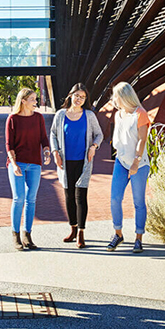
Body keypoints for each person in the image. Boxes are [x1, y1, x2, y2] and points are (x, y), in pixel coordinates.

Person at [49, 83, 103, 248]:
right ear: (70, 95)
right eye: (77, 95)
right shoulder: (60, 115)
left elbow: (99, 134)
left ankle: (81, 232)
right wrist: (55, 152)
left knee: (81, 196)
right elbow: (53, 134)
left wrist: (94, 147)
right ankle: (72, 228)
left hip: (83, 161)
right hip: (65, 162)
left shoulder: (89, 115)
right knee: (69, 196)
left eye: (83, 97)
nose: (79, 99)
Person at [107, 82, 150, 254]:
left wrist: (136, 161)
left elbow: (142, 139)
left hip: (139, 163)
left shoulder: (140, 114)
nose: (113, 99)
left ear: (123, 96)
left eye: (115, 95)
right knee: (115, 198)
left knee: (138, 202)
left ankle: (139, 238)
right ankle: (118, 234)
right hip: (121, 162)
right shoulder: (119, 115)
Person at [6, 87, 51, 250]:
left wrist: (46, 152)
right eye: (32, 99)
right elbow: (9, 144)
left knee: (31, 199)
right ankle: (15, 235)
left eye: (35, 99)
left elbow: (43, 138)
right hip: (17, 164)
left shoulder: (38, 118)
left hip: (35, 164)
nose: (35, 102)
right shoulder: (13, 119)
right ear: (23, 101)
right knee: (18, 198)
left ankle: (27, 235)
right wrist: (14, 163)